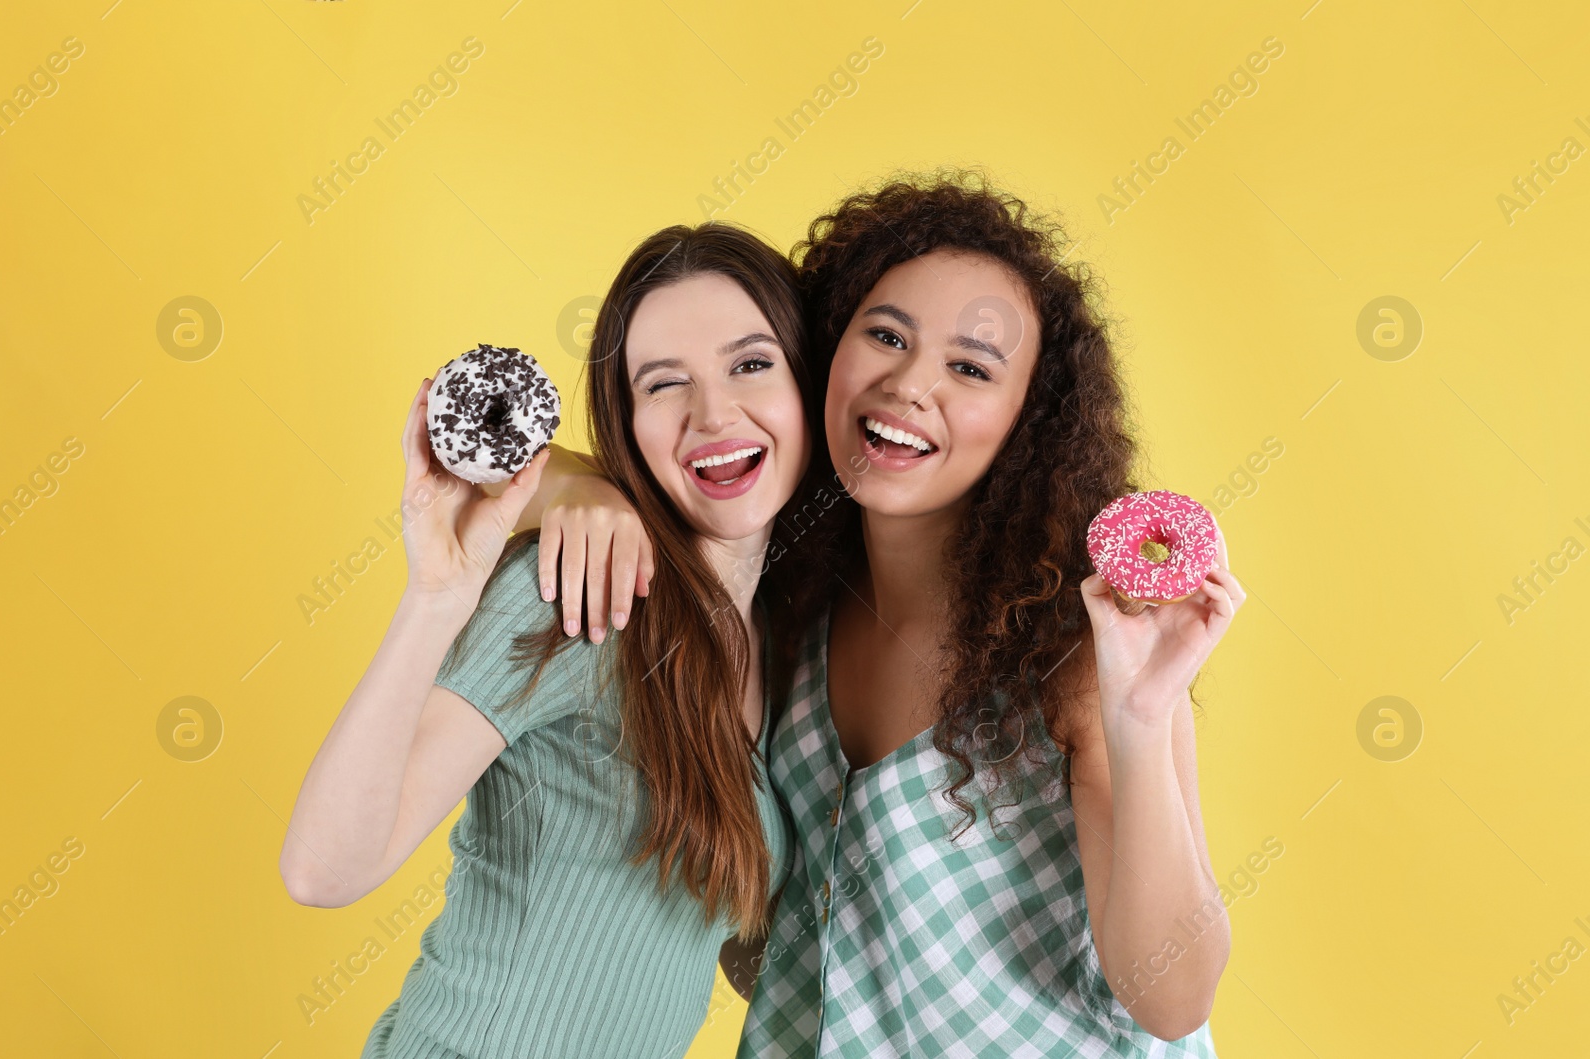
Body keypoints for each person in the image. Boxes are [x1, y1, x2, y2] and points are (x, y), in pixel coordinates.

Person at [532, 170, 1243, 1056]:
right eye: (886, 336)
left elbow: (1172, 998)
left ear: (1028, 420)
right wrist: (584, 484)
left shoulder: (1082, 649)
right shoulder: (784, 607)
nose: (911, 384)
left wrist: (1140, 717)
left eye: (970, 368)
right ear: (825, 352)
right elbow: (777, 950)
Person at [279, 220, 824, 1058]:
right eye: (663, 384)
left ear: (806, 386)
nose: (714, 413)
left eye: (751, 363)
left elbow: (701, 948)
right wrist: (437, 598)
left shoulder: (782, 651)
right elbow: (324, 869)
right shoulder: (578, 598)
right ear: (628, 423)